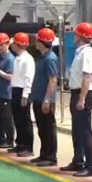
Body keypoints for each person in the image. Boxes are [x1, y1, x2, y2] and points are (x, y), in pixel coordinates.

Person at [61, 22, 92, 177]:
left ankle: (90, 166)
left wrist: (82, 98)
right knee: (77, 130)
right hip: (77, 93)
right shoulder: (80, 52)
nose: (74, 36)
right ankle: (78, 160)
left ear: (81, 36)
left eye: (76, 34)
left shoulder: (87, 53)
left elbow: (87, 77)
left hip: (84, 94)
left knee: (84, 130)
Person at [31, 28, 59, 167]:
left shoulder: (50, 59)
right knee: (42, 128)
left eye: (37, 40)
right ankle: (44, 154)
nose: (35, 43)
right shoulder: (42, 58)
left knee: (48, 128)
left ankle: (51, 157)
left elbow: (52, 80)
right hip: (38, 98)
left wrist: (47, 99)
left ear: (42, 42)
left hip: (45, 99)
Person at [10, 32, 35, 157]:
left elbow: (28, 78)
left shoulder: (27, 59)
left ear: (18, 44)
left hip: (23, 90)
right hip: (16, 89)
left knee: (25, 120)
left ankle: (28, 147)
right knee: (18, 119)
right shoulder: (18, 58)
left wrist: (25, 95)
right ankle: (20, 143)